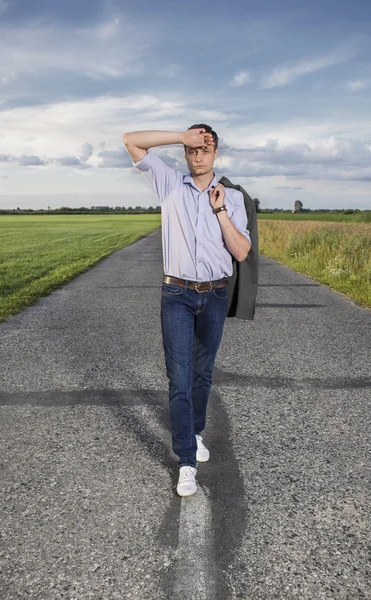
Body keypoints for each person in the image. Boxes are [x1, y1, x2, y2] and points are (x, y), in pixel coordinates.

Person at [123, 125, 251, 497]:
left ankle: (194, 433)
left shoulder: (233, 197)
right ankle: (186, 463)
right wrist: (182, 133)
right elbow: (130, 140)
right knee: (179, 378)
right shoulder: (168, 183)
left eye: (205, 150)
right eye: (193, 150)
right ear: (186, 153)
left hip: (214, 295)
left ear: (216, 155)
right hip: (176, 293)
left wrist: (221, 209)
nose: (198, 156)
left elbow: (241, 252)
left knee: (202, 374)